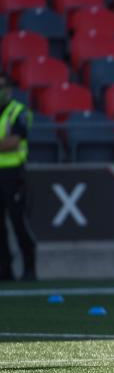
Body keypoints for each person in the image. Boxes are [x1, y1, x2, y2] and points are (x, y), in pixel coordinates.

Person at [0, 76, 36, 281]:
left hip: (13, 174)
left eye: (2, 87)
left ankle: (30, 268)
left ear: (10, 89)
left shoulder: (18, 112)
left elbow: (13, 142)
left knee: (19, 222)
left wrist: (5, 143)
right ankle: (5, 269)